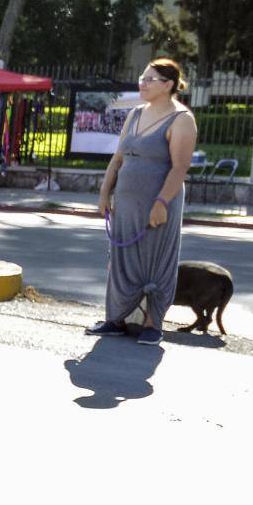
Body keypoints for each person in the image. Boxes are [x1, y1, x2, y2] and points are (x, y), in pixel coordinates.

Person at [88, 58, 197, 346]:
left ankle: (152, 324)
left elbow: (180, 167)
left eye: (150, 79)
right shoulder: (135, 114)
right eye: (142, 78)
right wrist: (104, 193)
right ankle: (115, 319)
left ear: (168, 85)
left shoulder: (181, 119)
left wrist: (161, 202)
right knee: (121, 258)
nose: (143, 84)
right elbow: (118, 158)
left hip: (158, 203)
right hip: (126, 202)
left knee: (155, 259)